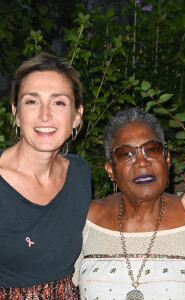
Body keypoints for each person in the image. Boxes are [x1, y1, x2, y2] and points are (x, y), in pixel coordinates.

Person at [74, 107, 185, 299]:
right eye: (126, 154)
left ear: (166, 159)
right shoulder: (86, 221)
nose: (142, 163)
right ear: (110, 169)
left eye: (152, 149)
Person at [0, 53, 91, 299]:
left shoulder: (79, 173)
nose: (44, 115)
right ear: (16, 113)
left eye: (58, 102)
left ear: (77, 116)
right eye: (32, 101)